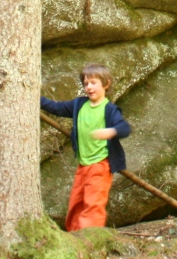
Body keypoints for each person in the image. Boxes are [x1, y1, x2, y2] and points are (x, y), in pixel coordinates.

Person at [40, 63, 131, 231]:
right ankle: (75, 236)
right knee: (76, 201)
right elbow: (55, 107)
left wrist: (110, 131)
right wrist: (35, 98)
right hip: (83, 164)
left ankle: (90, 238)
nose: (89, 87)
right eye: (86, 83)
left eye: (93, 83)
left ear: (106, 84)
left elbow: (124, 128)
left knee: (93, 203)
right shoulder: (79, 105)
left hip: (100, 164)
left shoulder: (109, 109)